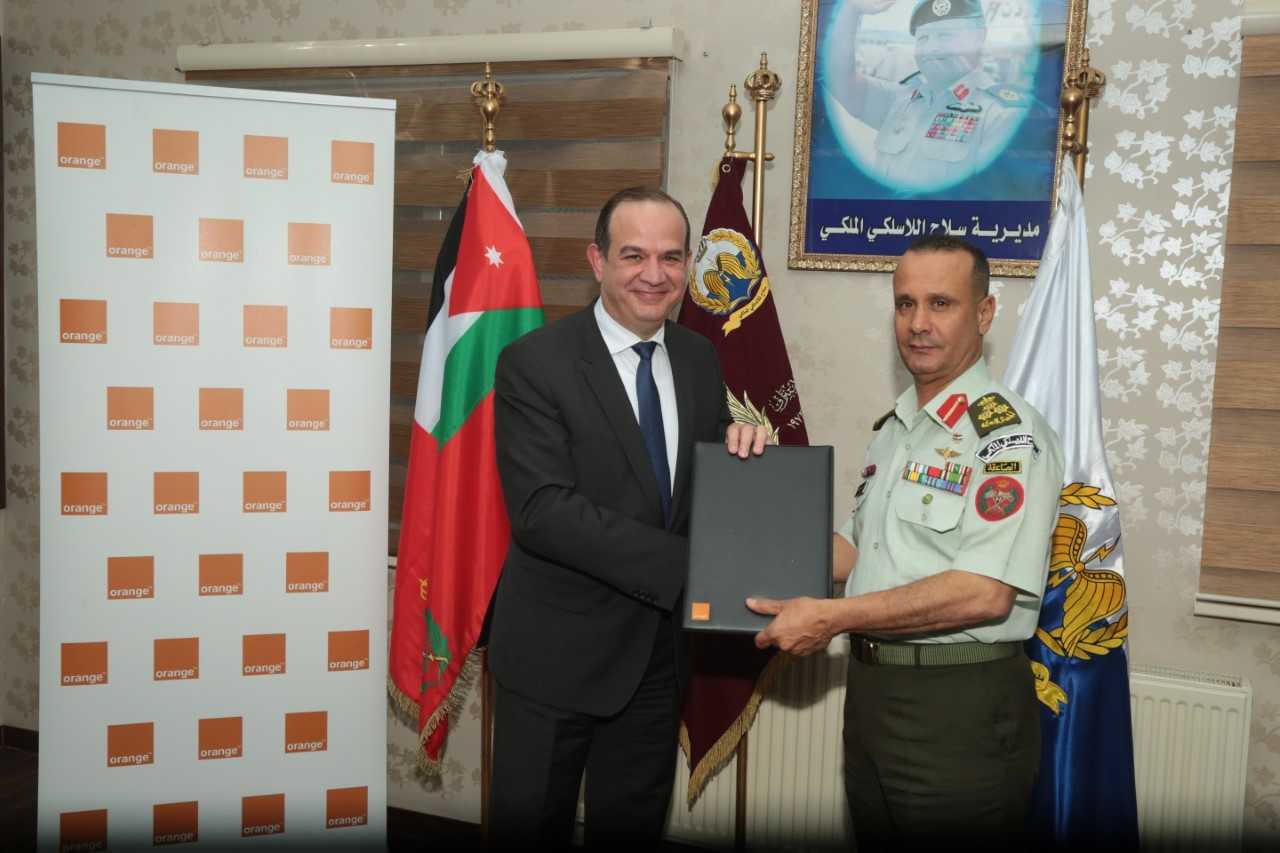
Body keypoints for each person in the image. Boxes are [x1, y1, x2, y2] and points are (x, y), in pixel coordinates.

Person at [729, 235, 1065, 848]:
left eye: (941, 303)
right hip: (872, 697)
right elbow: (858, 552)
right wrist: (738, 539)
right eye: (905, 303)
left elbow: (985, 592)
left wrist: (833, 618)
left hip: (958, 708)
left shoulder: (1007, 438)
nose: (918, 323)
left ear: (984, 314)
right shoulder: (896, 429)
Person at [487, 187, 732, 849]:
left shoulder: (699, 359)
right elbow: (543, 511)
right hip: (553, 661)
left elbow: (699, 484)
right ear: (597, 260)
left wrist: (742, 454)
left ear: (689, 265)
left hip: (656, 662)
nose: (654, 274)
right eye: (633, 255)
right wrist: (694, 568)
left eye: (671, 257)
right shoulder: (535, 363)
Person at [825, 0, 1037, 194]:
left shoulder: (1002, 114)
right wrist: (850, 11)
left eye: (945, 36)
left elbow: (996, 200)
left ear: (979, 37)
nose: (931, 48)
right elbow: (840, 80)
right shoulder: (901, 99)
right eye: (923, 38)